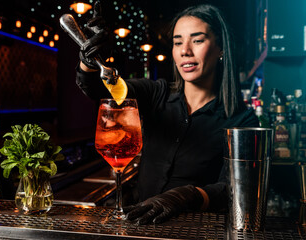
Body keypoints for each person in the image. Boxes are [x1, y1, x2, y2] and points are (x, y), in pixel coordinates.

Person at [74, 2, 259, 224]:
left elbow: (232, 189)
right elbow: (101, 89)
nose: (184, 51)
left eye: (197, 40)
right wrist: (90, 62)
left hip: (196, 229)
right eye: (177, 42)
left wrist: (185, 196)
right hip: (141, 224)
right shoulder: (155, 93)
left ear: (221, 49)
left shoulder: (243, 120)